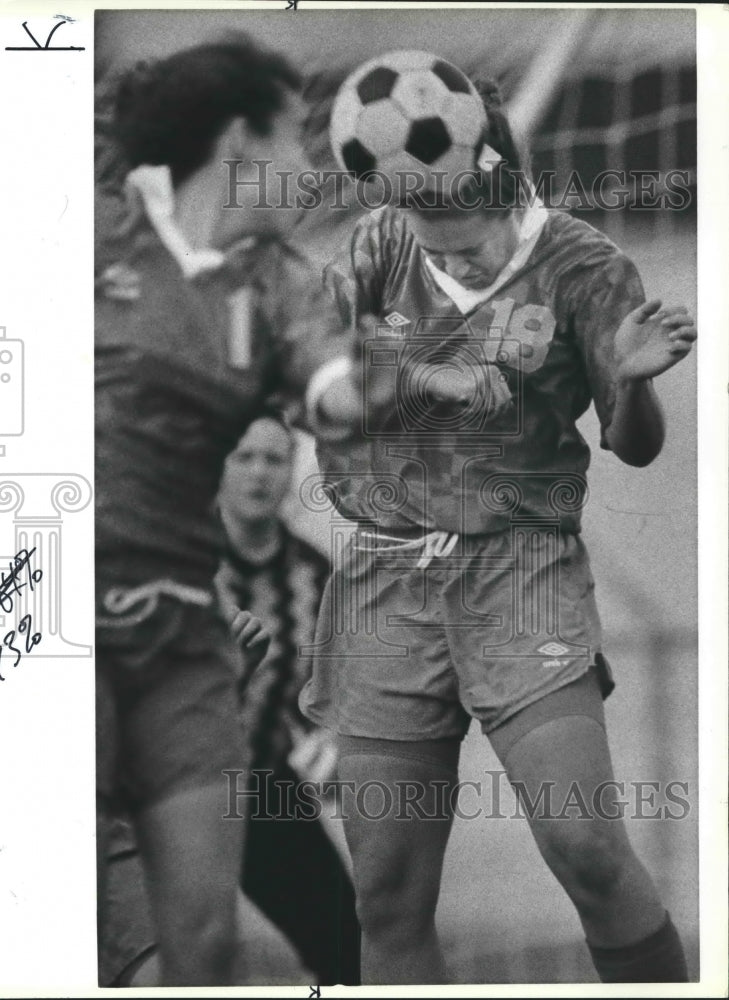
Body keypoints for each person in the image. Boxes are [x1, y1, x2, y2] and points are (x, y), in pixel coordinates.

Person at [299, 61, 697, 984]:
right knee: (387, 895)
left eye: (465, 245)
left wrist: (631, 384)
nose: (448, 259)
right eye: (430, 243)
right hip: (384, 582)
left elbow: (633, 446)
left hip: (521, 574)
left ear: (504, 187)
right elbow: (301, 398)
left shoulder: (584, 266)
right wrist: (415, 373)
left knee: (586, 848)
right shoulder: (371, 249)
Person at [95, 37, 367, 986]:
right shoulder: (96, 229)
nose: (311, 163)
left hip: (181, 640)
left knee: (205, 951)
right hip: (52, 616)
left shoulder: (282, 283)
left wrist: (380, 393)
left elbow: (337, 390)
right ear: (243, 141)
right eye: (296, 136)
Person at [216, 411, 362, 986]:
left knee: (350, 952)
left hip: (264, 788)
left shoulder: (314, 572)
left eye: (274, 459)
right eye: (243, 457)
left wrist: (332, 742)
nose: (258, 473)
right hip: (173, 785)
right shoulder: (183, 557)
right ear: (219, 467)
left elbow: (329, 695)